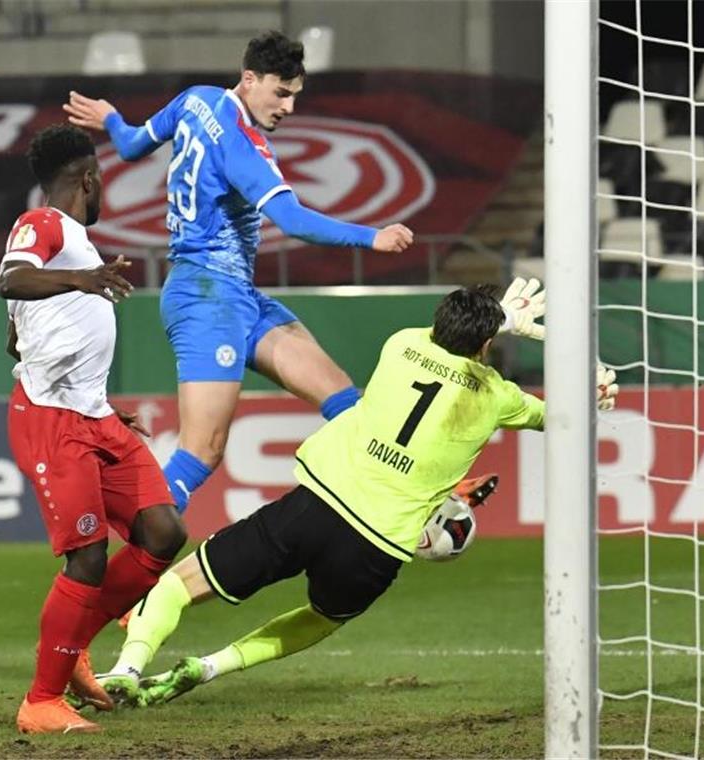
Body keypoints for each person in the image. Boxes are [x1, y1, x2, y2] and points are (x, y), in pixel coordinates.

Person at [87, 283, 618, 706]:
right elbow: (561, 417)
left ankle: (128, 668)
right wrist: (591, 392)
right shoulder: (499, 397)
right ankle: (210, 666)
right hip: (378, 547)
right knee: (321, 618)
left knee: (182, 583)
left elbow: (453, 339)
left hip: (315, 506)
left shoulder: (402, 345)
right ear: (485, 346)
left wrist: (500, 316)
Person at [61, 30, 415, 517]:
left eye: (295, 95)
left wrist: (111, 119)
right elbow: (291, 220)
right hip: (204, 298)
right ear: (250, 79)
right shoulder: (243, 145)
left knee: (346, 402)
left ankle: (402, 505)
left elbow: (131, 145)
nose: (288, 107)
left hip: (235, 296)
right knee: (201, 452)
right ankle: (133, 554)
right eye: (281, 93)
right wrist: (369, 236)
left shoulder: (196, 99)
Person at [0, 124, 188, 734]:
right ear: (89, 179)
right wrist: (83, 281)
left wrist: (93, 399)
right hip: (54, 423)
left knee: (162, 532)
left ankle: (76, 642)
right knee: (87, 558)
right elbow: (10, 279)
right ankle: (41, 701)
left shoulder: (71, 243)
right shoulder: (46, 226)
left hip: (94, 416)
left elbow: (16, 338)